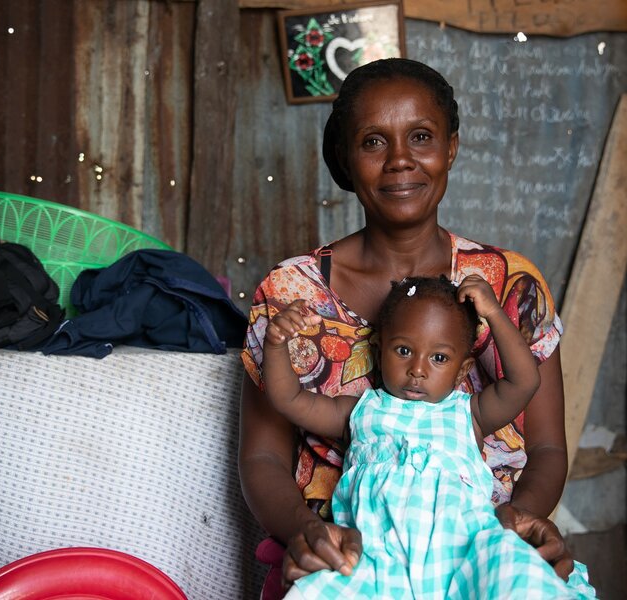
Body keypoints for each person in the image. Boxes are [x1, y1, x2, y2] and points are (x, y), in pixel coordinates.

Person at [239, 57, 578, 599]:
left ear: (451, 148)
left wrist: (508, 530)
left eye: (420, 136)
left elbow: (547, 449)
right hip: (348, 558)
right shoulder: (290, 293)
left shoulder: (510, 286)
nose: (400, 160)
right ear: (347, 159)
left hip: (482, 549)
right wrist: (309, 534)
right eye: (373, 142)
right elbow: (262, 456)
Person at [262, 275, 595, 598]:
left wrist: (493, 313)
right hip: (374, 558)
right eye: (404, 351)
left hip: (466, 552)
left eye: (439, 358)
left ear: (462, 370)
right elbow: (289, 400)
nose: (417, 370)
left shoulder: (469, 413)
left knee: (520, 581)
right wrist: (276, 344)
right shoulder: (360, 411)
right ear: (379, 352)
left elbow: (525, 382)